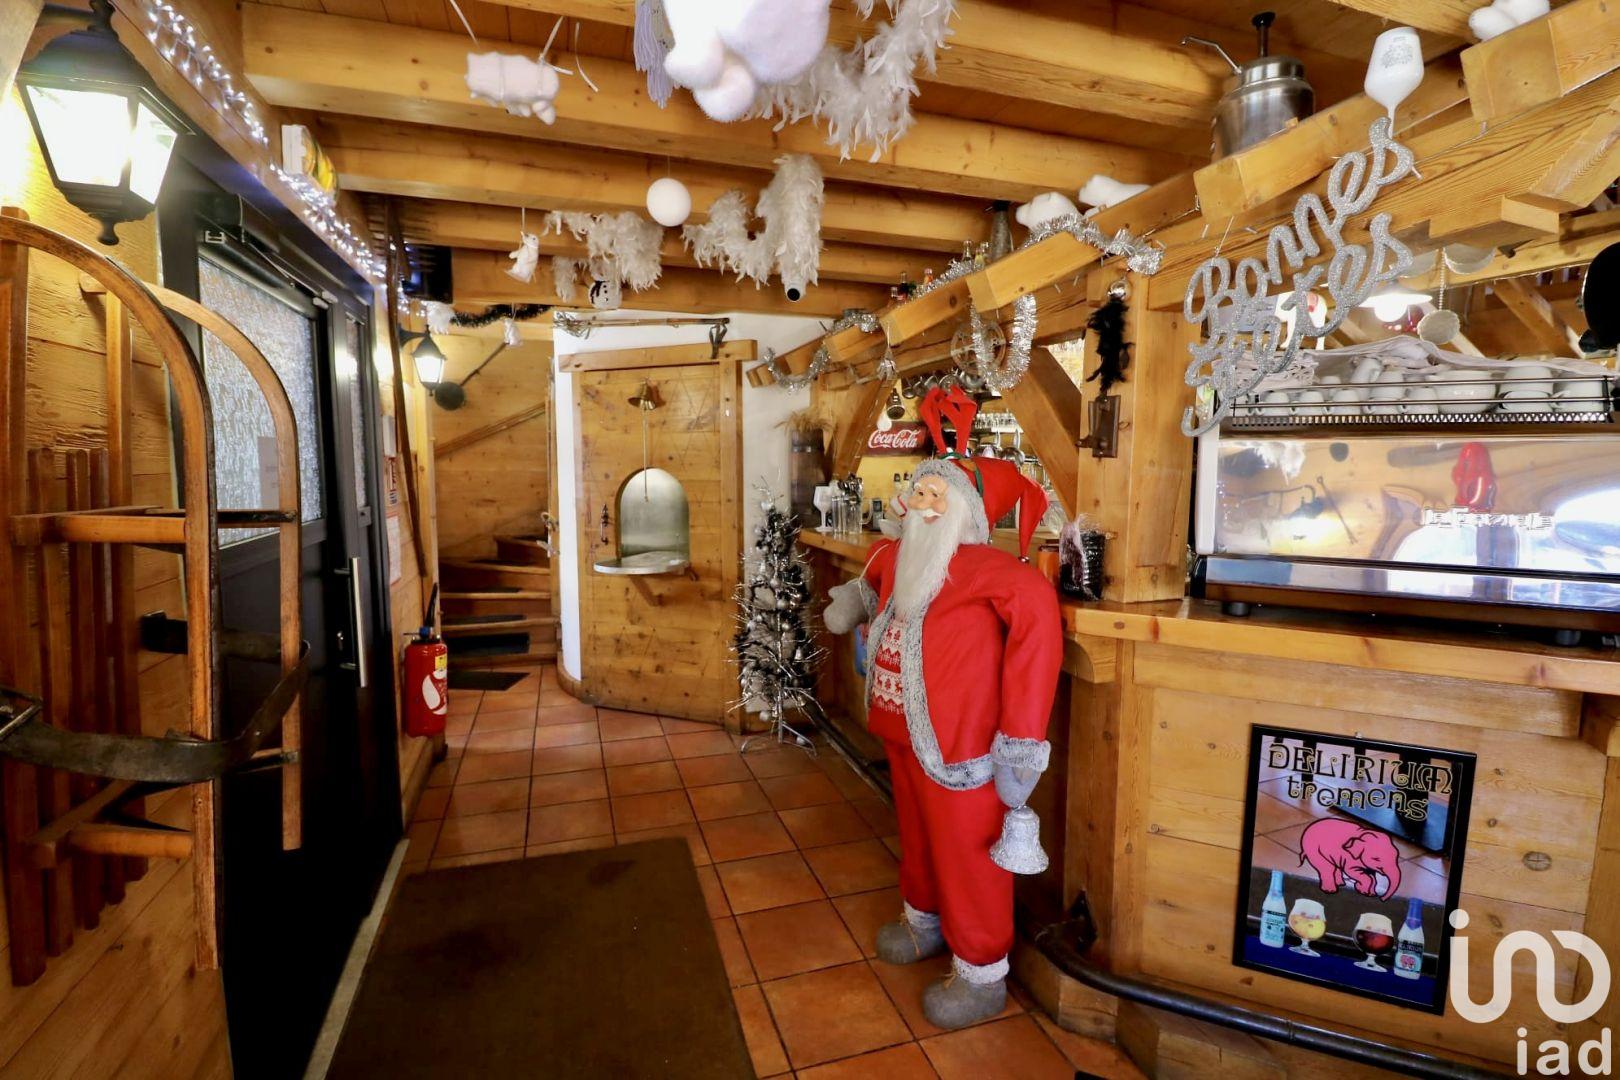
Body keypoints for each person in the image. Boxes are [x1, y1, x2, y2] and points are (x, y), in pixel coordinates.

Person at [823, 386, 1063, 1029]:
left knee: (969, 852)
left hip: (962, 746)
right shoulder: (901, 556)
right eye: (920, 492)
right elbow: (875, 577)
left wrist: (1021, 739)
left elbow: (1038, 623)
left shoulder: (990, 571)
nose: (921, 504)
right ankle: (923, 919)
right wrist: (854, 598)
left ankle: (980, 970)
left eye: (936, 496)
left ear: (964, 512)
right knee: (919, 836)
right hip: (901, 731)